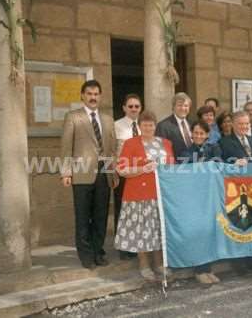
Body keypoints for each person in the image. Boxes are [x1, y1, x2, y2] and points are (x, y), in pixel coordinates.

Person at [60, 79, 117, 269]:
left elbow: (112, 149)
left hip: (103, 173)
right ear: (83, 96)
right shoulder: (73, 117)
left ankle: (98, 252)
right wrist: (66, 172)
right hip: (81, 173)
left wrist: (113, 174)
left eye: (96, 94)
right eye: (89, 94)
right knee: (83, 216)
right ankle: (86, 256)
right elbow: (66, 146)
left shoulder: (108, 119)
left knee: (101, 215)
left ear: (100, 96)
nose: (93, 97)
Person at [115, 111, 175, 281]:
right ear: (139, 126)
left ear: (156, 126)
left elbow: (173, 167)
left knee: (157, 229)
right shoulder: (130, 143)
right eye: (145, 124)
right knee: (141, 231)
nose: (148, 127)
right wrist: (142, 169)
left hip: (161, 195)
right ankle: (143, 264)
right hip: (138, 195)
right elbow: (121, 170)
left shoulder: (166, 143)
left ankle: (158, 263)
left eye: (151, 124)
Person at [181, 120, 222, 284]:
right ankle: (198, 270)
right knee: (198, 232)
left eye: (201, 133)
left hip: (211, 195)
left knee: (210, 231)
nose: (198, 136)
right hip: (195, 197)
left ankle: (208, 268)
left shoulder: (214, 148)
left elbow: (219, 166)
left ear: (207, 135)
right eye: (195, 133)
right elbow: (184, 174)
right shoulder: (185, 152)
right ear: (191, 134)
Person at [113, 93, 142, 260]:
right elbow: (112, 151)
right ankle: (124, 247)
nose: (133, 109)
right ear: (124, 108)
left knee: (138, 210)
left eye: (136, 106)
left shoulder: (143, 127)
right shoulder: (116, 126)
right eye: (130, 106)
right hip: (123, 174)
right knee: (122, 209)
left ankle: (138, 244)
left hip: (141, 174)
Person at [155, 92, 192, 162]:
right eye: (179, 105)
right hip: (175, 168)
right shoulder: (163, 126)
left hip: (194, 166)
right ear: (173, 107)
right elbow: (161, 151)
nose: (183, 108)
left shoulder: (193, 124)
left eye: (186, 105)